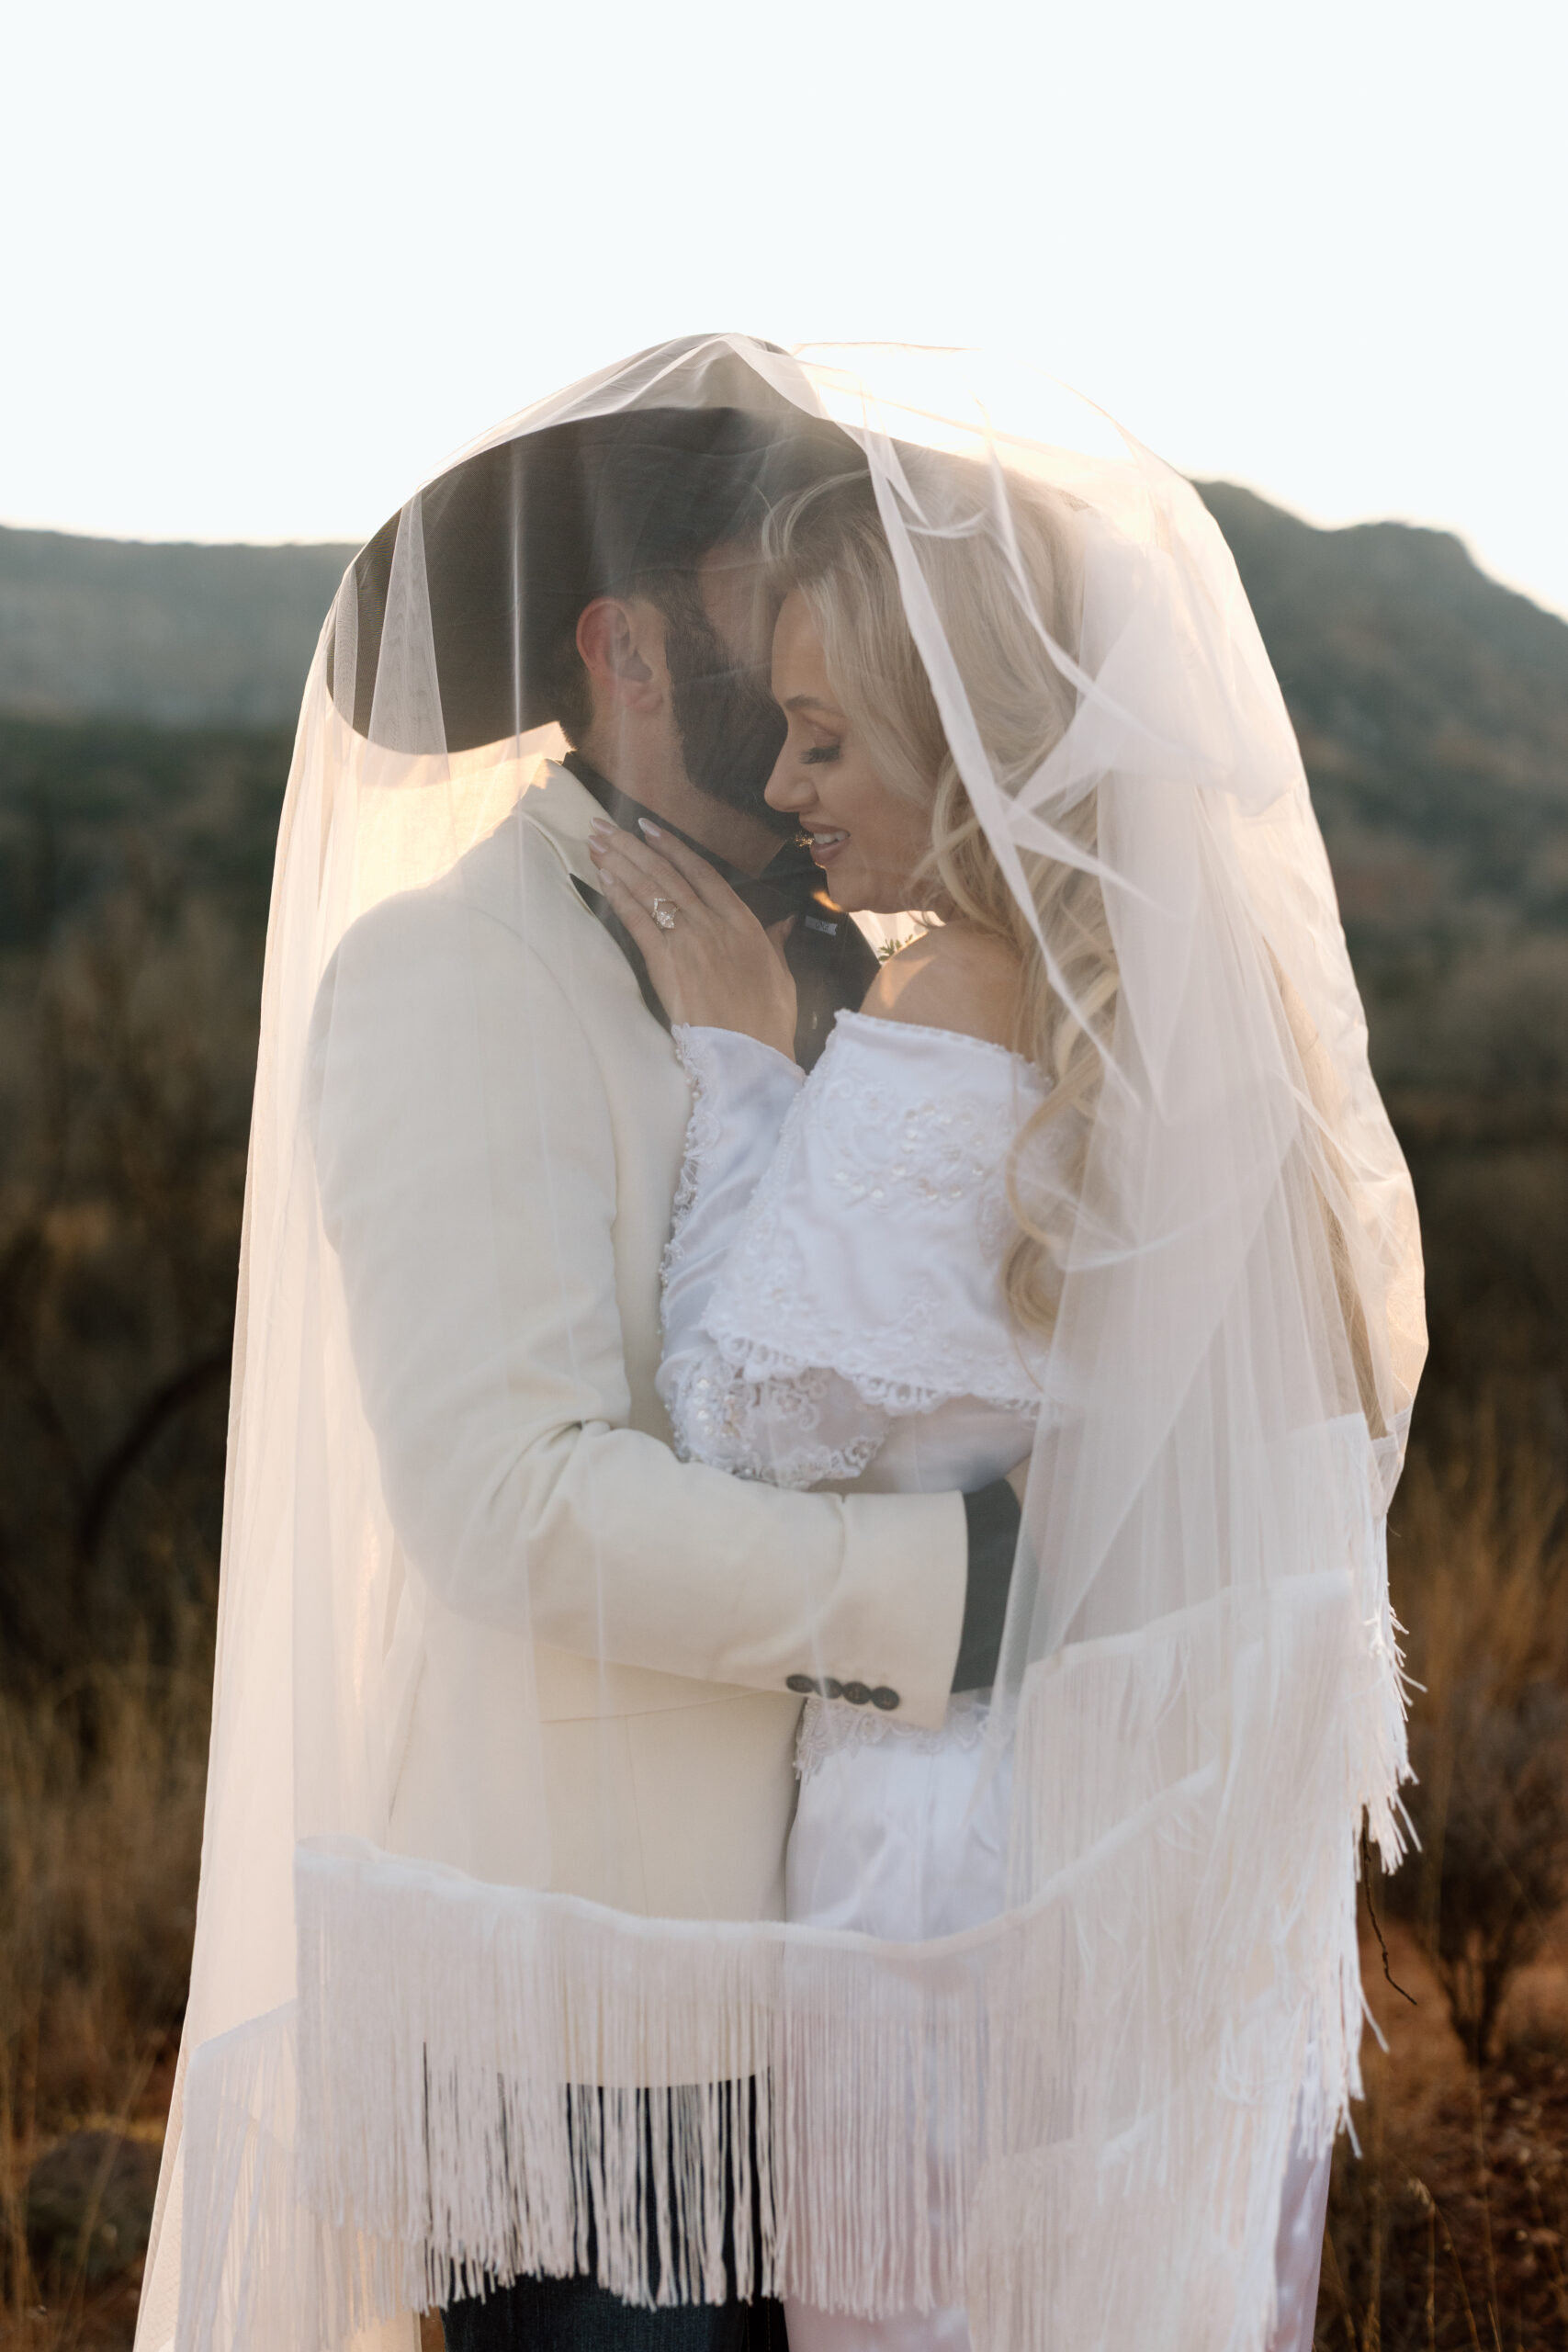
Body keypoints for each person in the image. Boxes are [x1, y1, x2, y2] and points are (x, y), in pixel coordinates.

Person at [145, 339, 1421, 2352]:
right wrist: (966, 1581)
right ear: (626, 645)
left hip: (887, 1963)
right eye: (773, 630)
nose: (812, 688)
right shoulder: (448, 975)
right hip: (599, 2009)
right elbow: (507, 1499)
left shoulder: (905, 964)